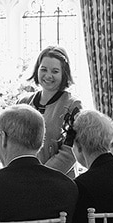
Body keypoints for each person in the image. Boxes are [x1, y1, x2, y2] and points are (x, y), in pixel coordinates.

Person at [19, 46, 82, 177]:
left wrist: (41, 176)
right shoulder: (23, 103)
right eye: (43, 69)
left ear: (64, 74)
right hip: (25, 180)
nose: (48, 75)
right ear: (37, 70)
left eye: (55, 71)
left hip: (59, 182)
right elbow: (13, 143)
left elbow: (71, 150)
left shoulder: (73, 106)